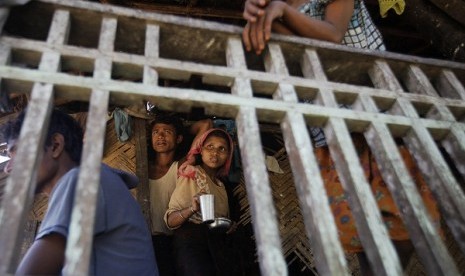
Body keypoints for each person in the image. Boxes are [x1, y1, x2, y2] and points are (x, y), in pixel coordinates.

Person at [242, 1, 441, 275]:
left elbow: (334, 35)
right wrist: (266, 19)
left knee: (407, 225)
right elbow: (301, 55)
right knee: (360, 227)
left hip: (378, 116)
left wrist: (282, 12)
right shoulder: (273, 6)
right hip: (331, 128)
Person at [3, 109, 158, 275]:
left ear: (55, 145)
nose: (8, 168)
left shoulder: (81, 181)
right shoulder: (98, 180)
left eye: (17, 153)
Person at [164, 128, 239, 276]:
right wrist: (192, 209)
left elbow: (220, 222)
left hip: (216, 246)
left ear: (228, 156)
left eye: (221, 149)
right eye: (210, 146)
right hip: (191, 245)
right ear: (201, 150)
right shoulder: (191, 174)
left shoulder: (222, 186)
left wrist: (231, 226)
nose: (215, 153)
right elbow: (170, 220)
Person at [148, 114, 212, 276]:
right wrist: (172, 131)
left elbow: (206, 123)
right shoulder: (141, 167)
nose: (160, 136)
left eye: (167, 132)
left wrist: (181, 130)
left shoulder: (181, 168)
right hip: (145, 240)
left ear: (179, 139)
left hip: (173, 240)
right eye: (156, 132)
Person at [242, 0, 385, 54]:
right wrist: (262, 17)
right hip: (318, 92)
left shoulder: (281, 7)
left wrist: (284, 10)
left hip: (369, 81)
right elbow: (301, 50)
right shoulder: (276, 6)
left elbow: (334, 35)